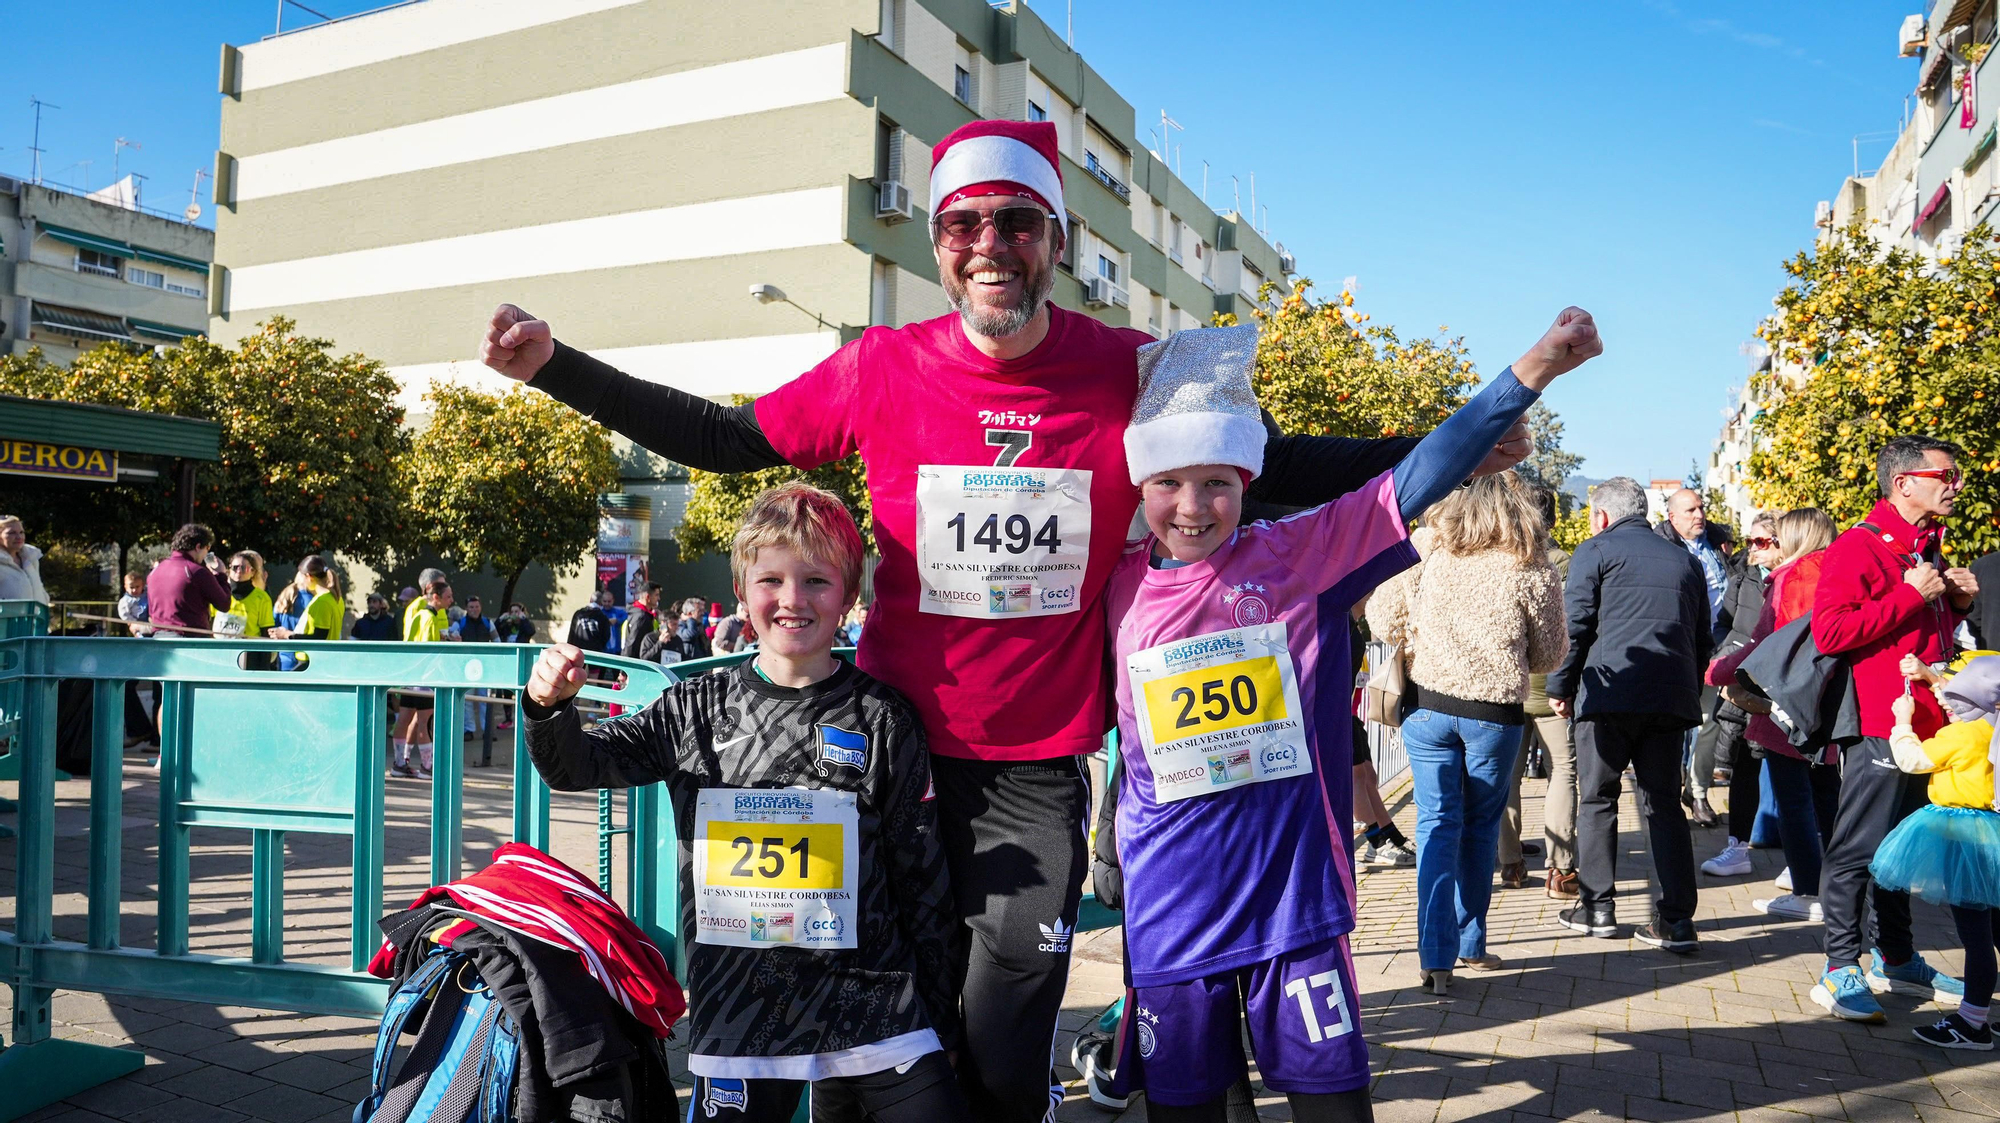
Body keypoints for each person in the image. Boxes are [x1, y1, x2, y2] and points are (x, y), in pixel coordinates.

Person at [480, 116, 1545, 1118]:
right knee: (873, 1023)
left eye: (1017, 222)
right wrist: (553, 367)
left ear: (1056, 242)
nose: (990, 244)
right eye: (964, 224)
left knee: (1003, 1024)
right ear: (939, 245)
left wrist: (1438, 450)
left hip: (1032, 766)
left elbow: (1265, 462)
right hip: (883, 750)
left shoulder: (1126, 365)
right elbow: (721, 439)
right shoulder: (881, 366)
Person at [1107, 321, 1577, 1116]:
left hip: (1292, 905)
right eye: (1168, 482)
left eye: (1217, 481)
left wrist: (1530, 373)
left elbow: (1412, 480)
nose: (1192, 507)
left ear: (1247, 478)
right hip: (1172, 909)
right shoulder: (1114, 586)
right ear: (1139, 484)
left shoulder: (1298, 553)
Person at [521, 483, 966, 1120]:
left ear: (848, 594)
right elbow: (574, 766)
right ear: (741, 590)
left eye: (816, 581)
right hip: (742, 1016)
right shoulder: (693, 709)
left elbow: (923, 882)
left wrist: (942, 1022)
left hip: (874, 1009)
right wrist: (548, 706)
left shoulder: (883, 718)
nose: (792, 600)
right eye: (771, 580)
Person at [1366, 471, 1568, 984]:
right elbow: (1549, 654)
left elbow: (1380, 618)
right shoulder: (1531, 561)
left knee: (1435, 824)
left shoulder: (1427, 547)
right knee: (1479, 828)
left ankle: (1435, 956)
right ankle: (1471, 942)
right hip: (1494, 716)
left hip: (1427, 708)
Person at [1810, 435, 1975, 1022]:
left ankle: (1897, 958)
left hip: (1927, 725)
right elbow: (1830, 632)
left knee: (1902, 849)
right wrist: (1910, 594)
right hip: (1881, 722)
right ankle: (1839, 968)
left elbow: (1924, 636)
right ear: (1904, 483)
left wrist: (1955, 604)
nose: (1956, 485)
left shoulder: (1925, 544)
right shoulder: (1858, 545)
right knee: (1858, 846)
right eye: (1946, 476)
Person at [1545, 477, 1711, 953]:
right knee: (1664, 804)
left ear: (1601, 516)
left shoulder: (1594, 551)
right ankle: (1677, 920)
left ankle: (1597, 909)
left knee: (1598, 798)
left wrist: (1560, 686)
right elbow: (1702, 636)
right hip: (1668, 698)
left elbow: (1575, 625)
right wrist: (1686, 684)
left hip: (1607, 694)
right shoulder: (1685, 559)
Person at [1704, 508, 1844, 921]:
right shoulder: (1837, 573)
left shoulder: (1792, 578)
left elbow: (1768, 644)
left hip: (1788, 704)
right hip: (1829, 701)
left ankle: (1808, 893)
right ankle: (1839, 891)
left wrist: (1717, 671)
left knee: (1793, 802)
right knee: (1827, 800)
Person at [1872, 655, 2000, 1049]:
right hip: (1992, 834)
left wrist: (1902, 722)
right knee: (1997, 928)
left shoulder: (1961, 735)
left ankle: (1972, 1023)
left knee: (1975, 934)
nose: (1946, 698)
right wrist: (1931, 679)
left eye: (1955, 692)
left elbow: (1911, 759)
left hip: (1964, 838)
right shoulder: (1992, 727)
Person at [1696, 514, 1783, 877]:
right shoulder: (1743, 577)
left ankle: (1802, 863)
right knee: (1745, 763)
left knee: (1789, 771)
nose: (1752, 549)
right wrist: (1726, 653)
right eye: (1749, 541)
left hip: (1782, 686)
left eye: (1759, 542)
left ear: (1781, 541)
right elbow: (1723, 624)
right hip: (1743, 684)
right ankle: (1737, 847)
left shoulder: (1793, 578)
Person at [1655, 488, 1732, 827]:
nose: (1699, 515)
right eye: (1690, 510)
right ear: (1672, 517)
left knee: (1709, 724)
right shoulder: (1662, 548)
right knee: (1676, 727)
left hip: (1716, 649)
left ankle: (1698, 792)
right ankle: (1671, 792)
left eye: (1701, 508)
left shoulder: (1715, 543)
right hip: (1678, 652)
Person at [392, 572, 455, 779]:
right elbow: (429, 650)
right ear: (435, 596)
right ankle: (427, 766)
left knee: (405, 719)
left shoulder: (420, 614)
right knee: (424, 721)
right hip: (423, 677)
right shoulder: (428, 617)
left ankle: (399, 763)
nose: (451, 600)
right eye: (448, 596)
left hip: (411, 675)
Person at [146, 524, 231, 637]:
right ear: (198, 547)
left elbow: (151, 612)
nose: (206, 554)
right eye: (207, 548)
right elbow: (224, 604)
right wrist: (221, 575)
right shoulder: (197, 572)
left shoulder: (155, 571)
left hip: (159, 638)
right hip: (189, 639)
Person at [0, 516, 48, 605]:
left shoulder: (31, 559)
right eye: (12, 533)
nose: (19, 537)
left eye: (21, 532)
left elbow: (39, 588)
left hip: (36, 614)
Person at [622, 584, 665, 662]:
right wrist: (627, 668)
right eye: (656, 595)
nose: (659, 598)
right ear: (648, 597)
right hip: (637, 664)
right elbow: (632, 645)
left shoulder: (638, 613)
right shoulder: (641, 618)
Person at [116, 572, 152, 637]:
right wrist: (132, 622)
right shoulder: (126, 600)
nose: (134, 590)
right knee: (138, 632)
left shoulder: (147, 594)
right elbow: (124, 614)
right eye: (131, 587)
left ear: (142, 586)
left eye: (137, 587)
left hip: (150, 620)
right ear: (126, 587)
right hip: (137, 622)